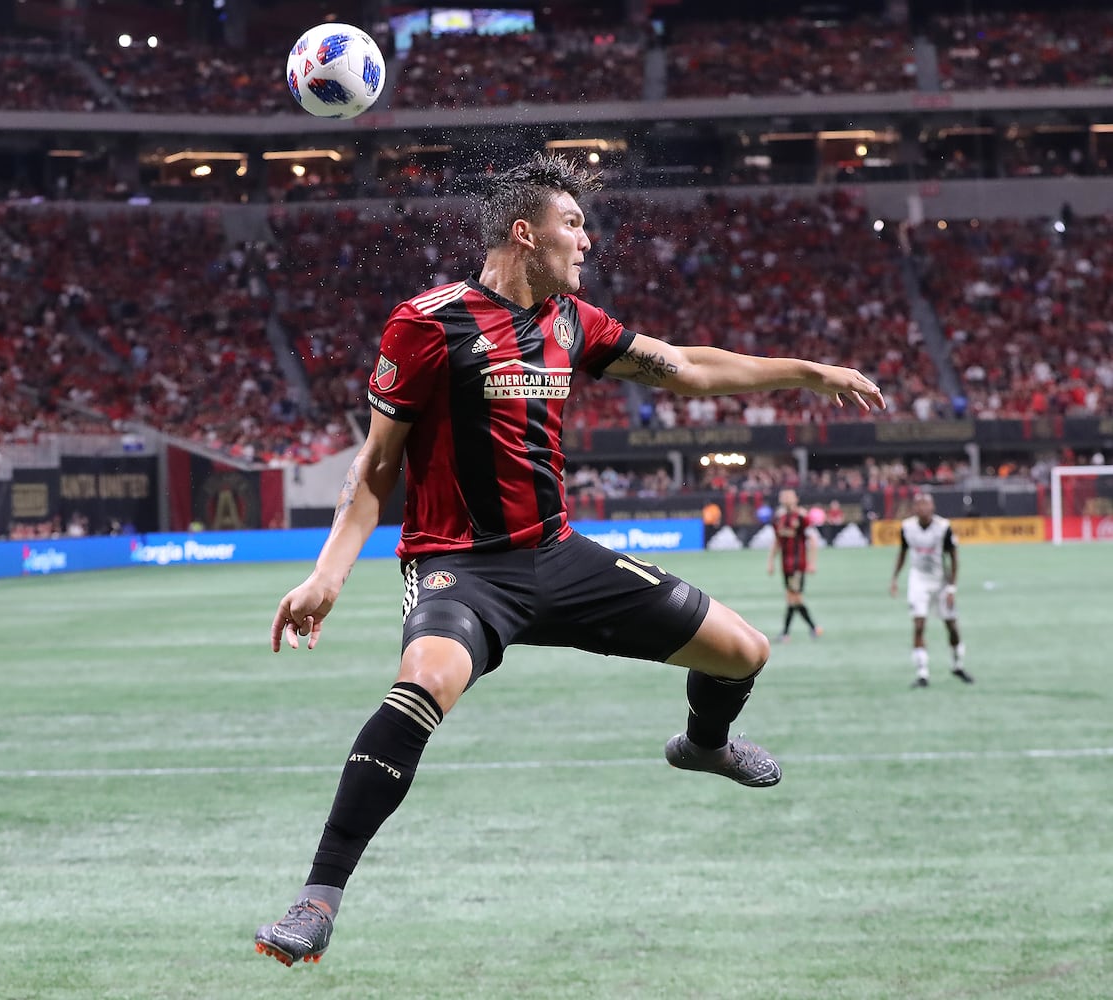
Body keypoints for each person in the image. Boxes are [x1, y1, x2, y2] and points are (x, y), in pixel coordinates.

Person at [255, 153, 886, 967]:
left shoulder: (570, 322)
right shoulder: (426, 323)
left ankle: (701, 745)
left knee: (744, 653)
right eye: (573, 225)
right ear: (525, 234)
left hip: (558, 557)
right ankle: (318, 898)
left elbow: (687, 366)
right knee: (424, 683)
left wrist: (809, 372)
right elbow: (376, 469)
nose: (586, 241)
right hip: (462, 568)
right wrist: (328, 574)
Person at [889, 492, 973, 688]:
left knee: (951, 625)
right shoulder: (907, 527)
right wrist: (894, 578)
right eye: (919, 505)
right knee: (918, 625)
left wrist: (951, 588)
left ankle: (957, 665)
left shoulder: (943, 528)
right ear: (914, 508)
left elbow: (954, 558)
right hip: (918, 579)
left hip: (940, 580)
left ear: (933, 507)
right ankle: (922, 673)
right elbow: (902, 553)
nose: (923, 508)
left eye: (926, 504)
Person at [766, 489, 822, 641]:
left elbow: (813, 540)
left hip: (798, 564)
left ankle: (787, 633)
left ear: (796, 498)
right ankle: (811, 629)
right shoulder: (779, 518)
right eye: (783, 495)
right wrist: (770, 561)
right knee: (792, 599)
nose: (786, 498)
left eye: (789, 496)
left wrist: (812, 563)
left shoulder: (802, 517)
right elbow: (777, 542)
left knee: (794, 598)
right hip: (785, 565)